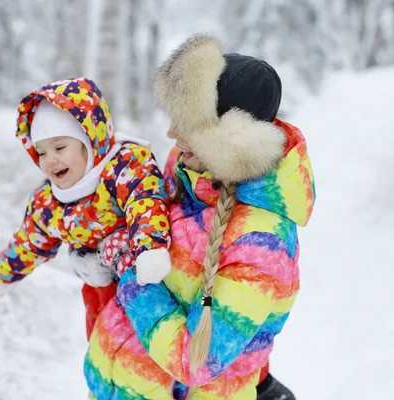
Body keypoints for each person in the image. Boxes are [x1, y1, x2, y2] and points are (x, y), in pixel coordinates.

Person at [84, 33, 315, 399]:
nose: (171, 133)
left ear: (229, 141)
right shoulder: (190, 174)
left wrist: (129, 270)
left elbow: (196, 362)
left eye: (187, 125)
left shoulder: (261, 244)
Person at [0, 77, 172, 340]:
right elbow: (30, 241)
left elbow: (144, 201)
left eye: (60, 147)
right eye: (41, 152)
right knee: (105, 354)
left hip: (147, 280)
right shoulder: (48, 201)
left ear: (89, 139)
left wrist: (150, 248)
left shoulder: (124, 167)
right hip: (98, 292)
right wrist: (2, 273)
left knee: (147, 355)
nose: (50, 160)